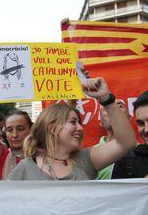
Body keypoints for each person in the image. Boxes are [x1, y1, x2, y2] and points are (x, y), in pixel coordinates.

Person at [8, 77, 137, 181]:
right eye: (73, 122)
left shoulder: (85, 160)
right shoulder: (25, 169)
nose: (80, 128)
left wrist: (106, 98)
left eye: (79, 123)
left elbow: (126, 143)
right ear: (52, 128)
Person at [0, 66, 33, 180]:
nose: (14, 135)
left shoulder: (44, 157)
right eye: (9, 130)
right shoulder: (2, 156)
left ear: (31, 130)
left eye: (20, 128)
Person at [95, 99, 131, 179]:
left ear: (129, 117)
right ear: (100, 121)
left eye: (120, 106)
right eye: (107, 107)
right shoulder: (90, 154)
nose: (114, 110)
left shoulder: (143, 151)